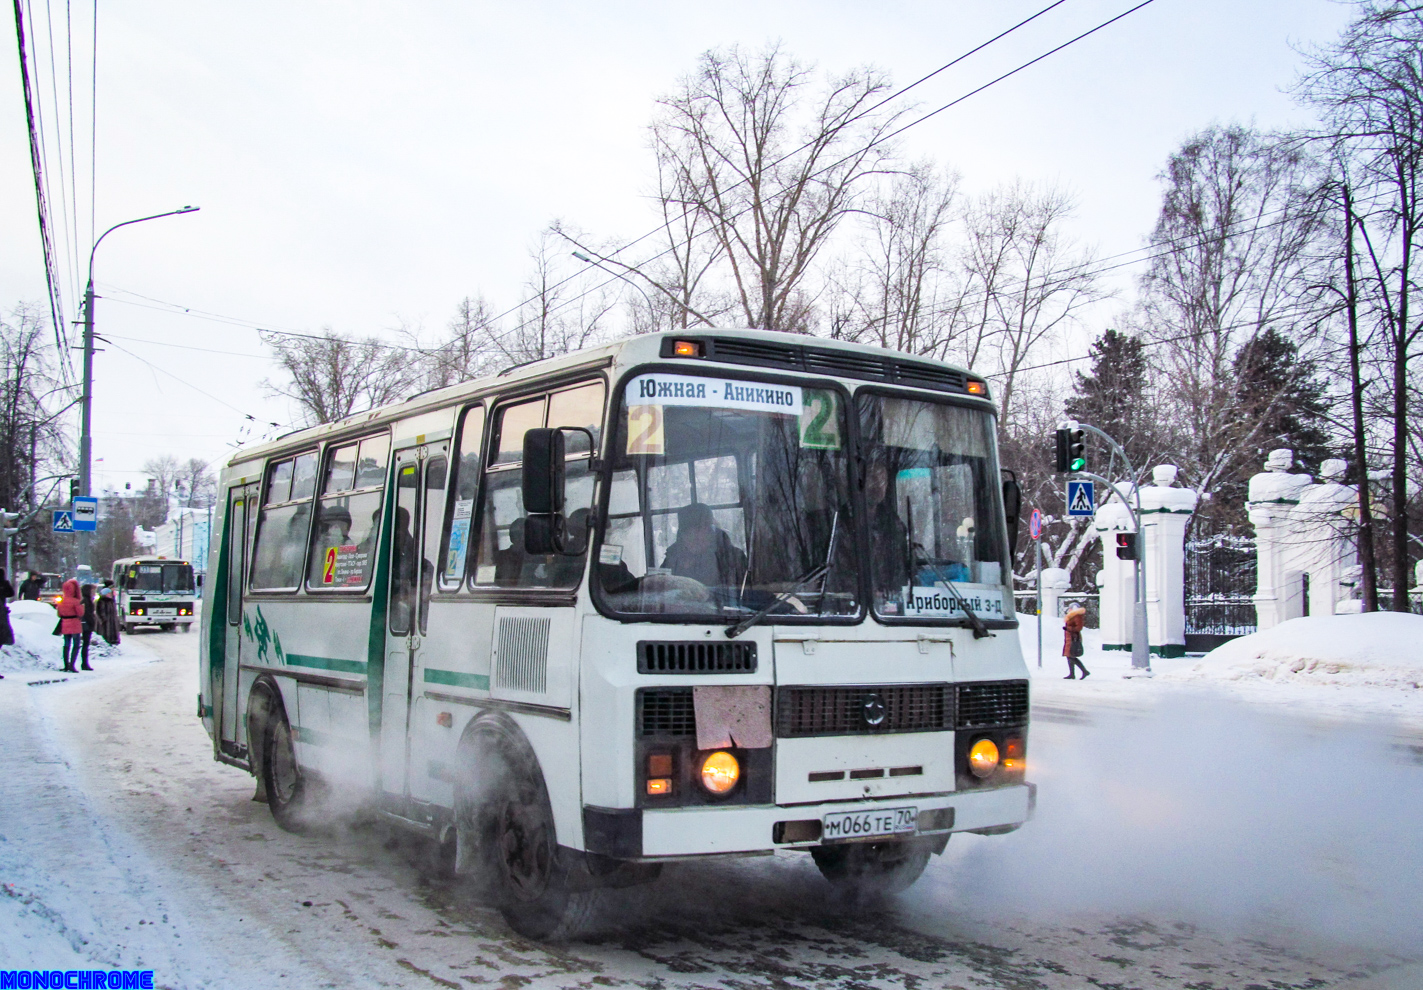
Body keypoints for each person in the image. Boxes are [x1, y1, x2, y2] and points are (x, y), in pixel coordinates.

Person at [660, 502, 747, 587]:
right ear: (681, 535)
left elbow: (746, 594)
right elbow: (660, 589)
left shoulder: (734, 557)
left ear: (711, 531)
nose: (695, 536)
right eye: (687, 532)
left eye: (700, 528)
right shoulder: (672, 558)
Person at [57, 578, 83, 672]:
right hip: (75, 623)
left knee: (66, 644)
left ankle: (66, 664)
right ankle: (72, 665)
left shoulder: (62, 601)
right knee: (76, 645)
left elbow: (59, 614)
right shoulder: (76, 601)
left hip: (65, 623)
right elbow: (80, 613)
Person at [1062, 605, 1089, 679]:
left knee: (1071, 656)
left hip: (1073, 638)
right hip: (1070, 638)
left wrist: (1068, 628)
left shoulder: (1076, 616)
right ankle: (1072, 674)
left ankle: (1084, 671)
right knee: (1069, 656)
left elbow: (1079, 627)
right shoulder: (1072, 616)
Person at [96, 581, 122, 646]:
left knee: (112, 632)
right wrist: (104, 619)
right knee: (107, 633)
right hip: (107, 621)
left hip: (111, 620)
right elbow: (100, 611)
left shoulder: (111, 600)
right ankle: (108, 642)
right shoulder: (103, 601)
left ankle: (113, 641)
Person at [79, 583, 96, 671]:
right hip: (86, 624)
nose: (93, 593)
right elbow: (87, 613)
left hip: (86, 623)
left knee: (85, 645)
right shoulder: (86, 601)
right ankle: (84, 663)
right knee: (85, 645)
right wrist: (92, 622)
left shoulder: (86, 600)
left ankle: (85, 663)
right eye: (92, 591)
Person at [0, 568, 14, 647]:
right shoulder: (4, 584)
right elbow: (11, 593)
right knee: (3, 627)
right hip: (2, 608)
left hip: (2, 608)